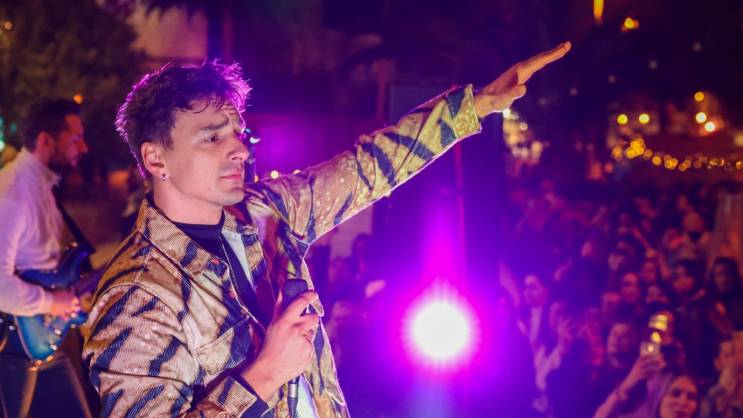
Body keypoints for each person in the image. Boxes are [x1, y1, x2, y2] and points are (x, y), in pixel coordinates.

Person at [81, 42, 571, 417]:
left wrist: (475, 107)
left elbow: (368, 168)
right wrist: (262, 376)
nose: (240, 150)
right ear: (155, 159)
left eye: (238, 133)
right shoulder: (138, 294)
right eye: (212, 138)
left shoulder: (266, 213)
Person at [0, 98, 92, 418]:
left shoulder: (42, 187)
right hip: (12, 351)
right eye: (75, 138)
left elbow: (46, 267)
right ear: (45, 140)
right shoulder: (13, 194)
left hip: (44, 342)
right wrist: (52, 303)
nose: (83, 147)